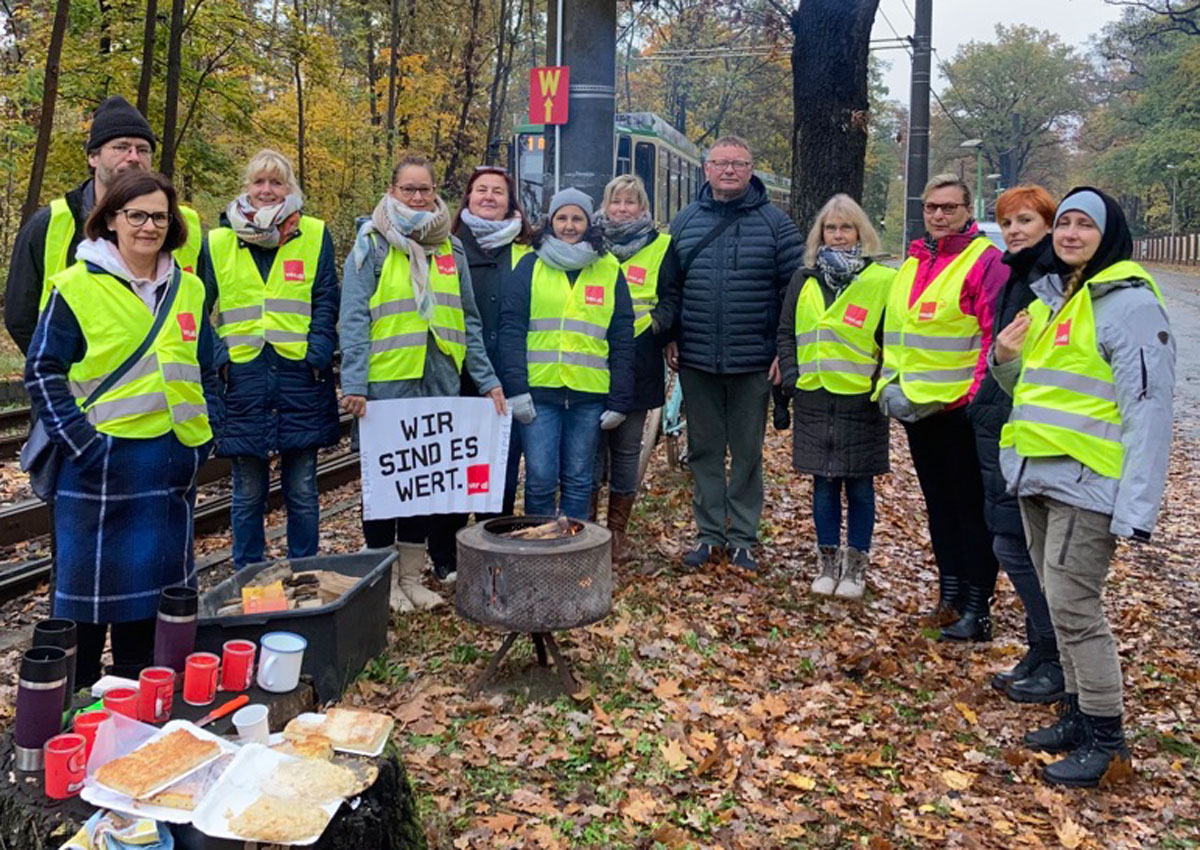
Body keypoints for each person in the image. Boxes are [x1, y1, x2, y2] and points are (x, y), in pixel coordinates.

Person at [992, 187, 1174, 787]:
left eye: (1082, 225)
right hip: (1040, 474)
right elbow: (1035, 389)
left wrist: (1138, 507)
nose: (1069, 234)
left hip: (1088, 485)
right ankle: (1076, 711)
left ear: (1108, 234)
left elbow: (1148, 409)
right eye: (1064, 223)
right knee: (1059, 603)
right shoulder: (1060, 297)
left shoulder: (1128, 305)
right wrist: (1003, 356)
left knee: (1075, 610)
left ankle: (1107, 739)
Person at [24, 170, 219, 685]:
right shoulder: (75, 286)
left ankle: (137, 721)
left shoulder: (191, 290)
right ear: (111, 220)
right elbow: (42, 372)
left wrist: (201, 442)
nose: (148, 226)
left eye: (159, 216)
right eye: (136, 215)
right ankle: (77, 715)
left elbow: (206, 368)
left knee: (147, 613)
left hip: (167, 469)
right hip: (97, 469)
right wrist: (82, 445)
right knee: (82, 617)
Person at [340, 152, 506, 612]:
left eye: (425, 189)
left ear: (436, 194)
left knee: (422, 482)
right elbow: (352, 318)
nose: (417, 197)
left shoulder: (450, 249)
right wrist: (353, 381)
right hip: (385, 386)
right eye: (408, 189)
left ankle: (411, 576)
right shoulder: (371, 244)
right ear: (392, 192)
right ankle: (382, 580)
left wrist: (487, 380)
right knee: (383, 485)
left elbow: (468, 321)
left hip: (439, 383)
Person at [873, 173, 1008, 639]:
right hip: (918, 410)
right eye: (932, 207)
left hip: (960, 412)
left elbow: (993, 338)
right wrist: (891, 386)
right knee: (939, 505)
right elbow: (899, 334)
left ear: (968, 211)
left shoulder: (984, 262)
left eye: (949, 207)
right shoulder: (913, 261)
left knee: (970, 509)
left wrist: (973, 400)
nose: (939, 215)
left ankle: (977, 606)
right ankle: (949, 595)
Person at [660, 136, 804, 572]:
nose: (728, 171)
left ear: (750, 169)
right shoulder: (684, 223)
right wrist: (671, 335)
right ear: (705, 169)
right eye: (720, 163)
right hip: (698, 360)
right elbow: (671, 288)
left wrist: (785, 351)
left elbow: (794, 294)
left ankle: (743, 537)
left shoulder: (778, 225)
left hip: (753, 363)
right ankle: (708, 535)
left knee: (746, 454)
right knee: (703, 451)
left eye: (738, 164)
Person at [199, 149, 340, 572]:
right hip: (243, 378)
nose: (266, 190)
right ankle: (249, 575)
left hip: (300, 376)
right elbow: (194, 306)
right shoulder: (218, 240)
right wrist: (220, 356)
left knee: (301, 489)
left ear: (289, 188)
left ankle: (304, 573)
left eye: (276, 183)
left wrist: (318, 352)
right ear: (247, 187)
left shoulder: (314, 234)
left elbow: (326, 298)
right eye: (259, 182)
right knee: (246, 492)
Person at [6, 95, 202, 355]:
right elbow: (20, 316)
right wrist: (58, 375)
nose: (133, 157)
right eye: (121, 147)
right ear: (93, 158)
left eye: (143, 150)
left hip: (164, 390)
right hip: (79, 390)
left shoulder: (181, 222)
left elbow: (197, 309)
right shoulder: (51, 223)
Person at [968, 185, 1064, 703]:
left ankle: (1054, 655)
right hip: (1005, 419)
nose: (1014, 230)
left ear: (1049, 223)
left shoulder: (1050, 281)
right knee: (1013, 540)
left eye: (1026, 220)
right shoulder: (1021, 272)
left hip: (1031, 426)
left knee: (1019, 545)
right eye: (1007, 222)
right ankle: (1042, 648)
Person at [776, 194, 893, 599]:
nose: (838, 235)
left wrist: (881, 384)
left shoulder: (881, 280)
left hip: (861, 399)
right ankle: (827, 563)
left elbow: (891, 340)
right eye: (831, 228)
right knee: (823, 484)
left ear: (861, 232)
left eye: (846, 228)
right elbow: (786, 333)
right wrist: (791, 377)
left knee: (859, 486)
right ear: (820, 234)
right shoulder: (804, 278)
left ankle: (855, 567)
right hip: (812, 396)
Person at [498, 187, 635, 521]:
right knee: (541, 480)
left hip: (589, 395)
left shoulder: (608, 269)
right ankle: (541, 548)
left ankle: (573, 554)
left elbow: (621, 336)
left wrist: (620, 400)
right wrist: (516, 389)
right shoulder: (530, 265)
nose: (569, 225)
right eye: (562, 218)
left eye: (577, 218)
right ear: (551, 221)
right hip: (539, 393)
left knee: (578, 480)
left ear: (589, 223)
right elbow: (511, 329)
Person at [440, 166, 532, 568]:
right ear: (468, 198)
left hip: (510, 374)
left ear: (511, 203)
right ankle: (449, 552)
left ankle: (496, 546)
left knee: (501, 466)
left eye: (498, 192)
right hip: (458, 375)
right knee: (456, 466)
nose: (489, 197)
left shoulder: (527, 250)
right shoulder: (447, 245)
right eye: (481, 190)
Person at [591, 175, 679, 562]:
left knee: (627, 449)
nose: (623, 209)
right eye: (616, 202)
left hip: (641, 360)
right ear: (605, 206)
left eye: (631, 202)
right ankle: (587, 530)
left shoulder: (662, 246)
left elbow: (673, 297)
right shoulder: (589, 244)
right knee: (590, 450)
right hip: (592, 359)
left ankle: (616, 535)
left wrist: (657, 327)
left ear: (644, 208)